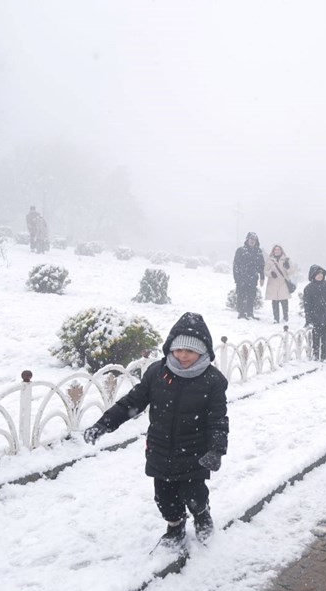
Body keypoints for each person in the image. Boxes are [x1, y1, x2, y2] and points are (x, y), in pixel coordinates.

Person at [82, 312, 229, 549]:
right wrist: (103, 424)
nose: (182, 355)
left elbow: (218, 420)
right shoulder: (157, 373)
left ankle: (202, 514)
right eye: (178, 349)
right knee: (164, 497)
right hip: (160, 449)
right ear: (170, 348)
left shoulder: (212, 381)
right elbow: (132, 402)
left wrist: (216, 450)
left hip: (194, 452)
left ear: (202, 352)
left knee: (194, 494)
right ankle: (175, 526)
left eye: (190, 351)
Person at [302, 264, 326, 362]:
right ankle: (315, 355)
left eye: (321, 273)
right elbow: (307, 305)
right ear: (313, 275)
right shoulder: (309, 288)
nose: (320, 275)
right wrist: (308, 318)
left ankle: (324, 356)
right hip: (315, 317)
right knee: (315, 337)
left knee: (325, 337)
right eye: (317, 274)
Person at [233, 232, 265, 319]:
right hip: (242, 278)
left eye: (254, 239)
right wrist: (237, 278)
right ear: (247, 239)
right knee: (241, 296)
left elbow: (261, 265)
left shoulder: (258, 251)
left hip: (253, 278)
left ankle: (250, 313)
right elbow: (236, 265)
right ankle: (241, 314)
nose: (252, 241)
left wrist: (262, 277)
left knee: (251, 296)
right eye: (251, 239)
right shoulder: (240, 250)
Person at [265, 244, 295, 324]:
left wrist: (287, 267)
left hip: (283, 283)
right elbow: (265, 271)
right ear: (273, 251)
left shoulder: (286, 260)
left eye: (278, 249)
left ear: (281, 251)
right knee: (275, 302)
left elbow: (292, 271)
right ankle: (276, 319)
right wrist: (271, 273)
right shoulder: (270, 260)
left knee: (284, 301)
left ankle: (285, 317)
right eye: (275, 249)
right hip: (273, 284)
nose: (277, 251)